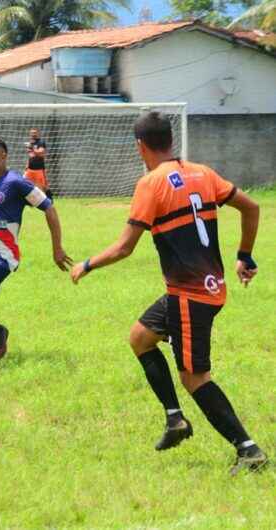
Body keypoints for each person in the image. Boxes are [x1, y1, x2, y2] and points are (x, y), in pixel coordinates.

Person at [70, 111, 267, 475]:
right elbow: (251, 207)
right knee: (141, 338)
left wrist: (87, 264)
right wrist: (244, 255)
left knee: (195, 377)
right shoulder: (202, 173)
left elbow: (124, 247)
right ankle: (176, 420)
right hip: (202, 288)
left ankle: (248, 448)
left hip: (190, 294)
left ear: (140, 146)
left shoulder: (151, 183)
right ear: (170, 140)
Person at [0, 138, 72, 361]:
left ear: (3, 157)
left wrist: (57, 248)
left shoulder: (16, 183)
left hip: (0, 256)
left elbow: (49, 208)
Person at [24, 127, 53, 200]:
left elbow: (41, 153)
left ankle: (50, 200)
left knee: (44, 187)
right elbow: (30, 156)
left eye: (35, 133)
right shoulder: (30, 143)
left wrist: (32, 148)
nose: (33, 134)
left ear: (38, 133)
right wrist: (27, 164)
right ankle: (25, 200)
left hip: (39, 169)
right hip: (30, 169)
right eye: (32, 133)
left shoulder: (41, 142)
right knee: (23, 182)